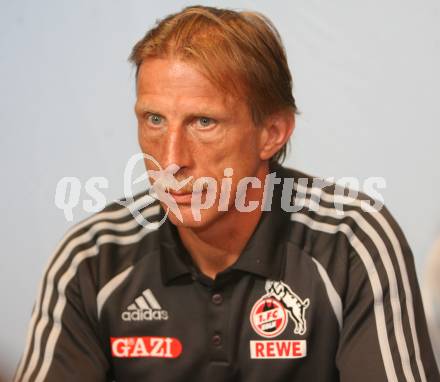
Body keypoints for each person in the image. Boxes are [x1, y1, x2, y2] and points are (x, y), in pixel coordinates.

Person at [14, 5, 439, 382]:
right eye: (155, 120)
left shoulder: (351, 243)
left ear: (272, 132)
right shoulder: (91, 258)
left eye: (204, 122)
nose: (172, 159)